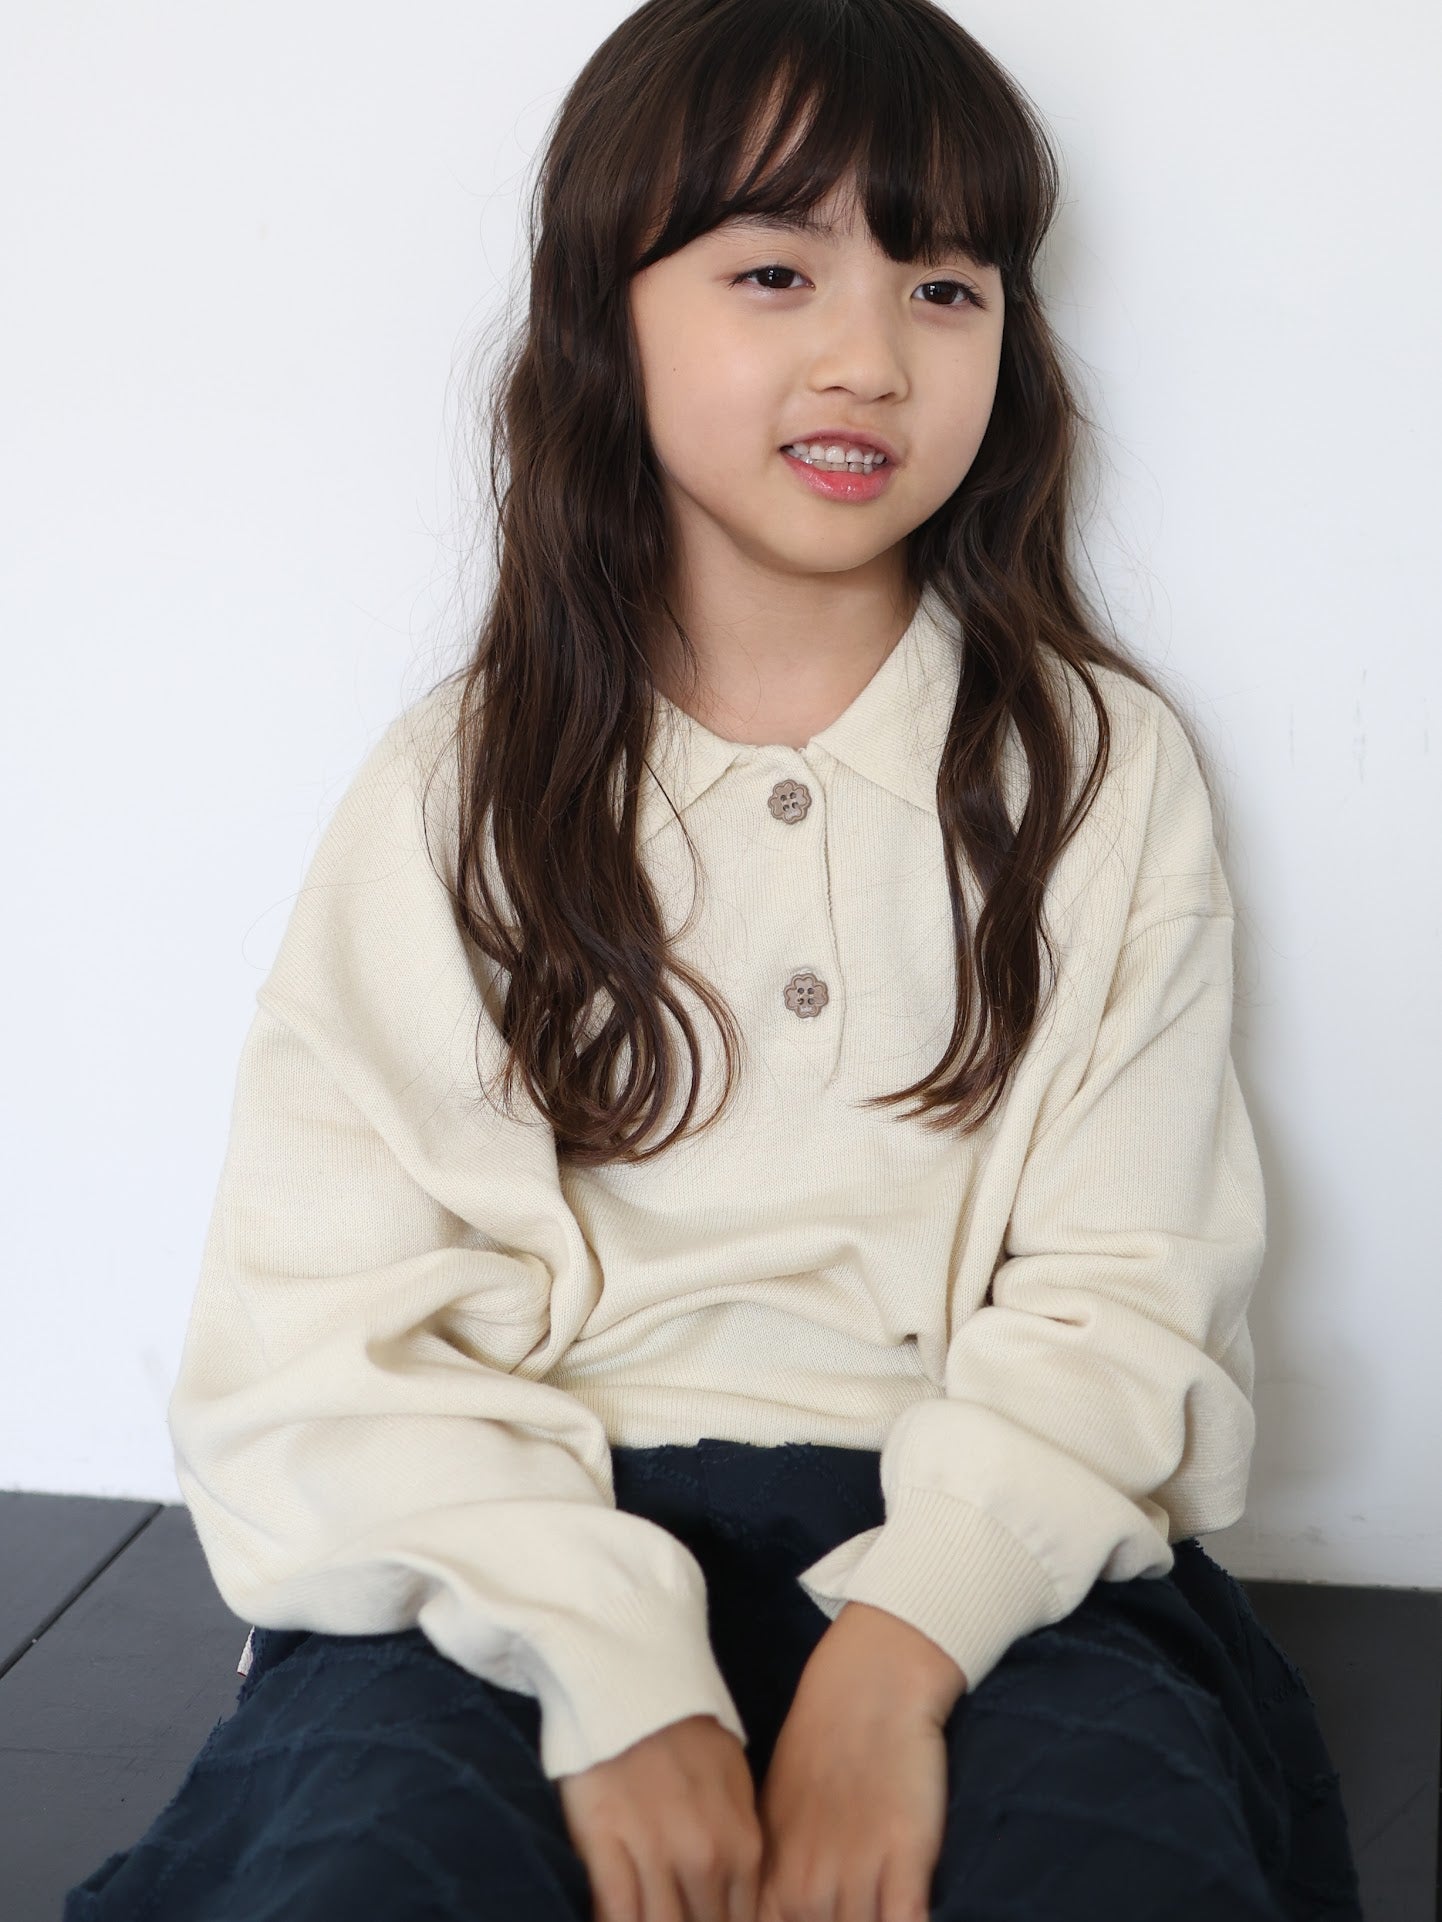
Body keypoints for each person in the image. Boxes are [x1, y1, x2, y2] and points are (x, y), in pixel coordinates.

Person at [63, 2, 1365, 1918]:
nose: (869, 355)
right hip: (516, 1537)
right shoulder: (456, 785)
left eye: (944, 287)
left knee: (1119, 1859)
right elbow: (322, 1333)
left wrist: (893, 1659)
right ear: (606, 311)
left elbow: (1128, 1292)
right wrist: (609, 1661)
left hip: (971, 1545)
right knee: (374, 1866)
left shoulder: (1095, 771)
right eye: (774, 271)